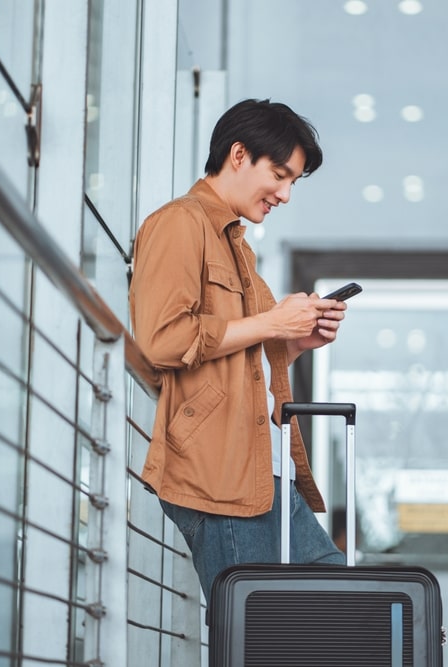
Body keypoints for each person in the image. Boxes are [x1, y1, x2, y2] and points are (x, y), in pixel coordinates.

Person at [129, 98, 348, 605]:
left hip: (265, 473)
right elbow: (161, 340)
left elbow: (239, 356)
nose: (286, 194)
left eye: (294, 181)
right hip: (220, 477)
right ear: (238, 154)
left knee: (341, 602)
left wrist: (293, 343)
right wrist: (273, 321)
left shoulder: (237, 245)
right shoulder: (178, 224)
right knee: (257, 636)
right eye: (280, 174)